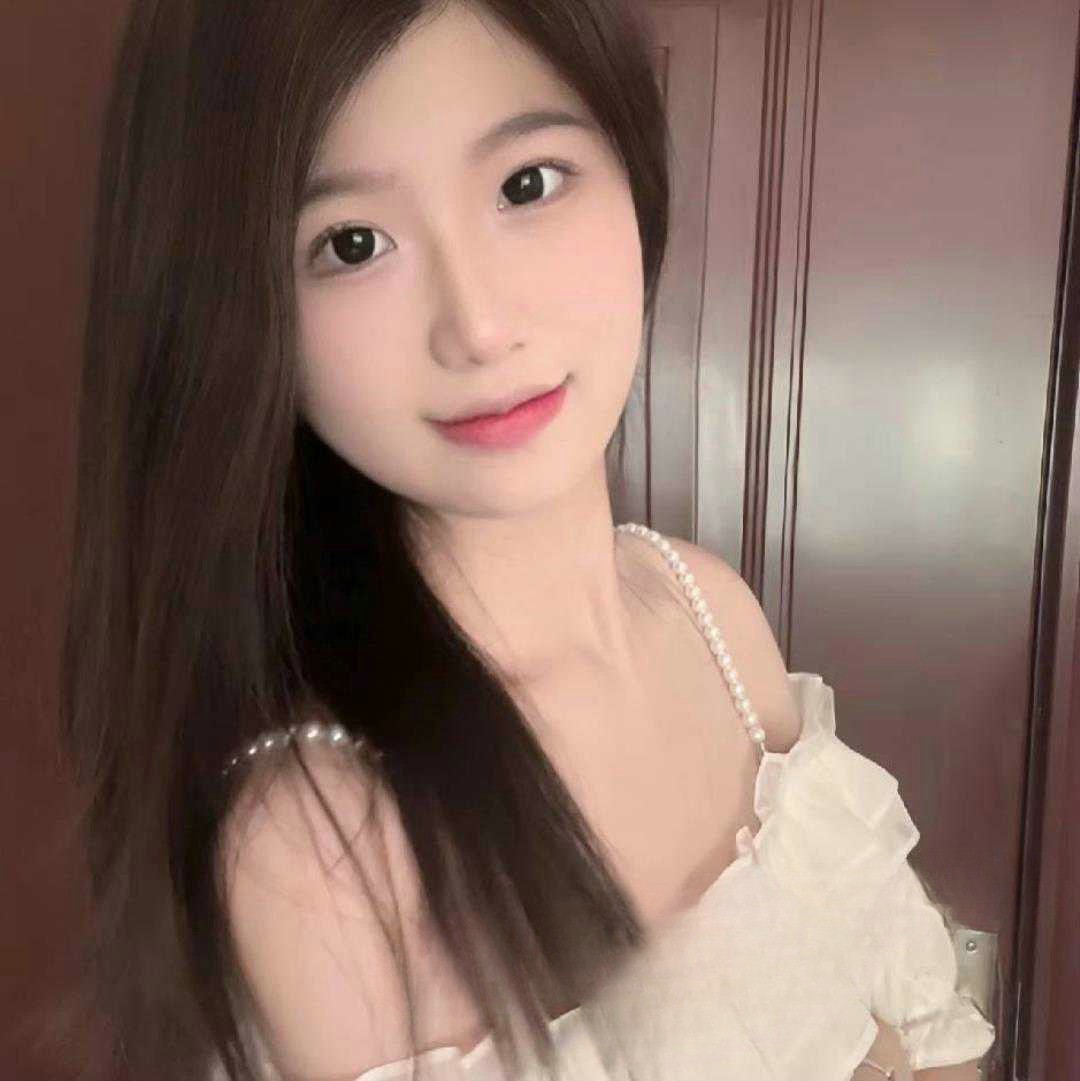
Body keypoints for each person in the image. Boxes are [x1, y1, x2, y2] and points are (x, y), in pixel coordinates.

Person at [50, 0, 997, 1079]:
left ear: (631, 168)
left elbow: (929, 1031)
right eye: (353, 244)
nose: (479, 323)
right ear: (237, 310)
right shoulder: (323, 852)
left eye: (527, 183)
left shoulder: (711, 614)